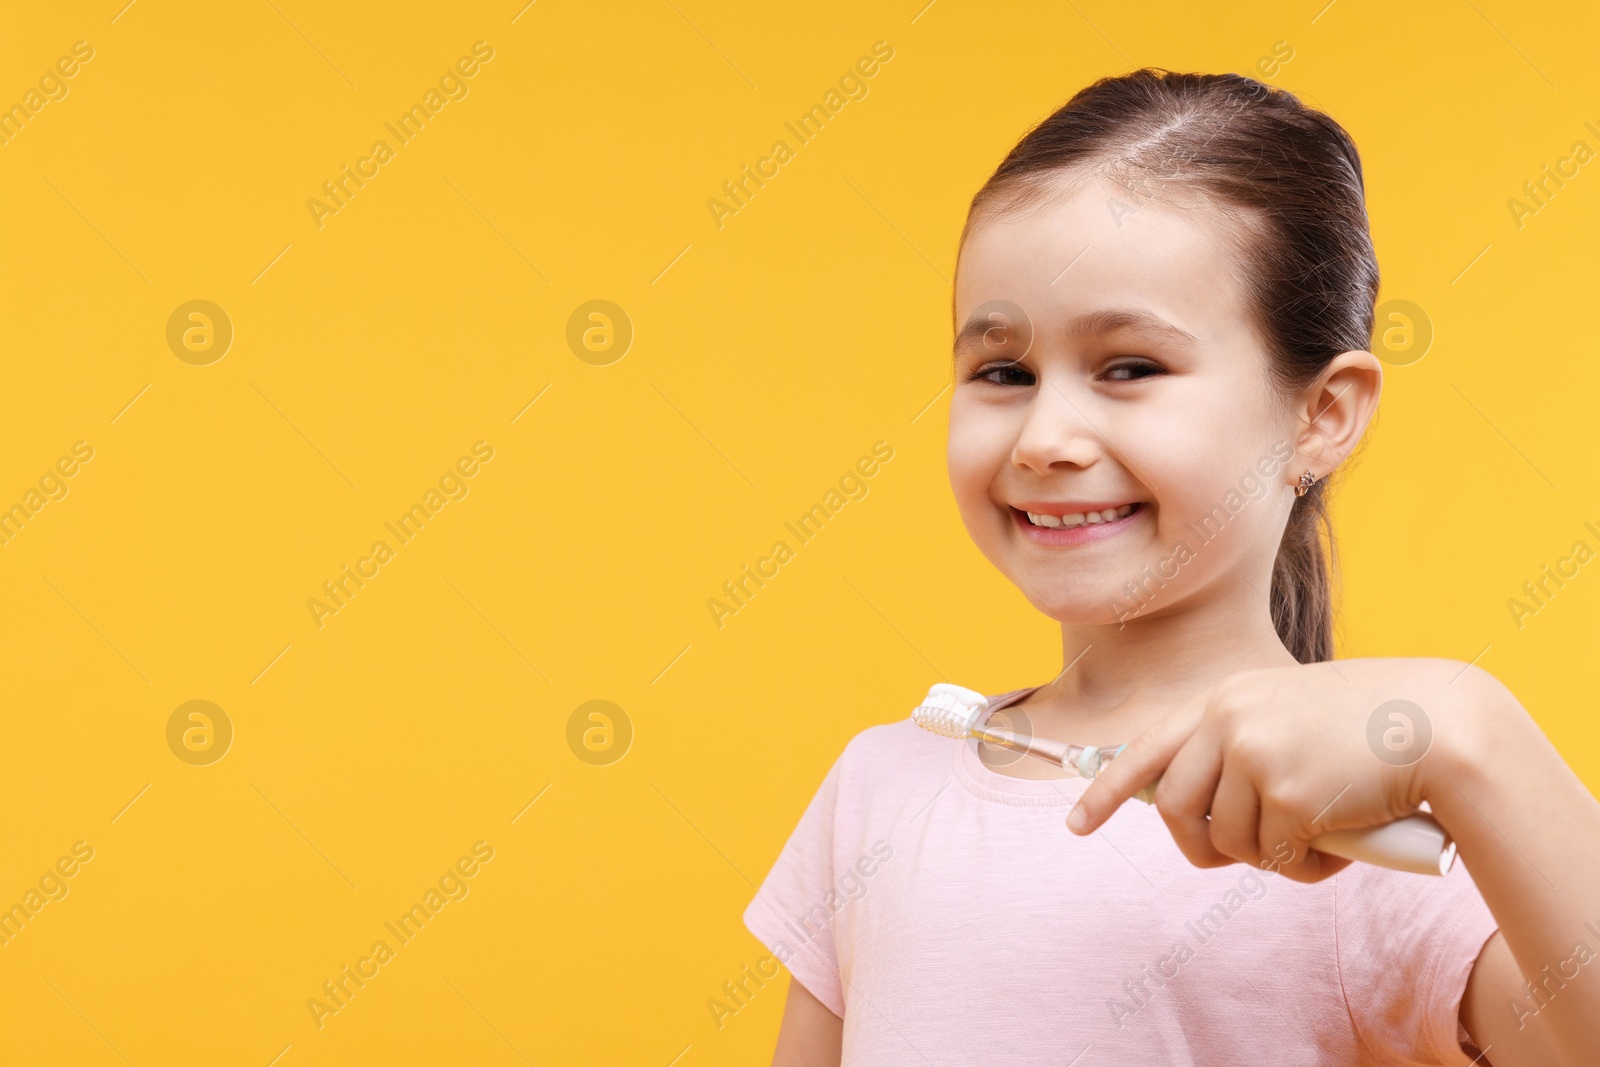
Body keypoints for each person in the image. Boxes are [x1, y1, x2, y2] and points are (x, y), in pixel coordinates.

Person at [742, 68, 1600, 1066]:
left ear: (1319, 414)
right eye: (1002, 372)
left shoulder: (1365, 839)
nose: (1044, 436)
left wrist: (1469, 726)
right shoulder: (879, 792)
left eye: (1130, 367)